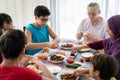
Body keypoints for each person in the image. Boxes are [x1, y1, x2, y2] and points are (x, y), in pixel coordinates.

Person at [71, 15, 120, 79]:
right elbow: (101, 43)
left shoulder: (118, 49)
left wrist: (86, 71)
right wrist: (81, 47)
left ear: (117, 29)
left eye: (110, 29)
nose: (107, 30)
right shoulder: (115, 38)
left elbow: (106, 68)